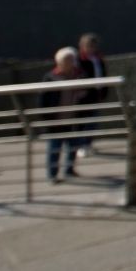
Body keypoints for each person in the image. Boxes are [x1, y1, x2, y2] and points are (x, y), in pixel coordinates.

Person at [39, 47, 88, 183]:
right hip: (56, 120)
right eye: (67, 61)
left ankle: (69, 169)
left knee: (73, 146)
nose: (71, 63)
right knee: (55, 149)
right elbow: (43, 101)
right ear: (59, 62)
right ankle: (52, 174)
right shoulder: (50, 78)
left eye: (72, 60)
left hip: (73, 119)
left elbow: (86, 95)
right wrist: (47, 119)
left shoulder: (79, 76)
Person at [75, 32, 107, 158]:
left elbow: (103, 75)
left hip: (96, 94)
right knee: (82, 122)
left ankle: (88, 144)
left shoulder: (98, 59)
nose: (91, 48)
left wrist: (104, 91)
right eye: (88, 45)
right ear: (82, 46)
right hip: (83, 96)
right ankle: (80, 146)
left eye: (93, 46)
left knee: (93, 121)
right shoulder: (78, 60)